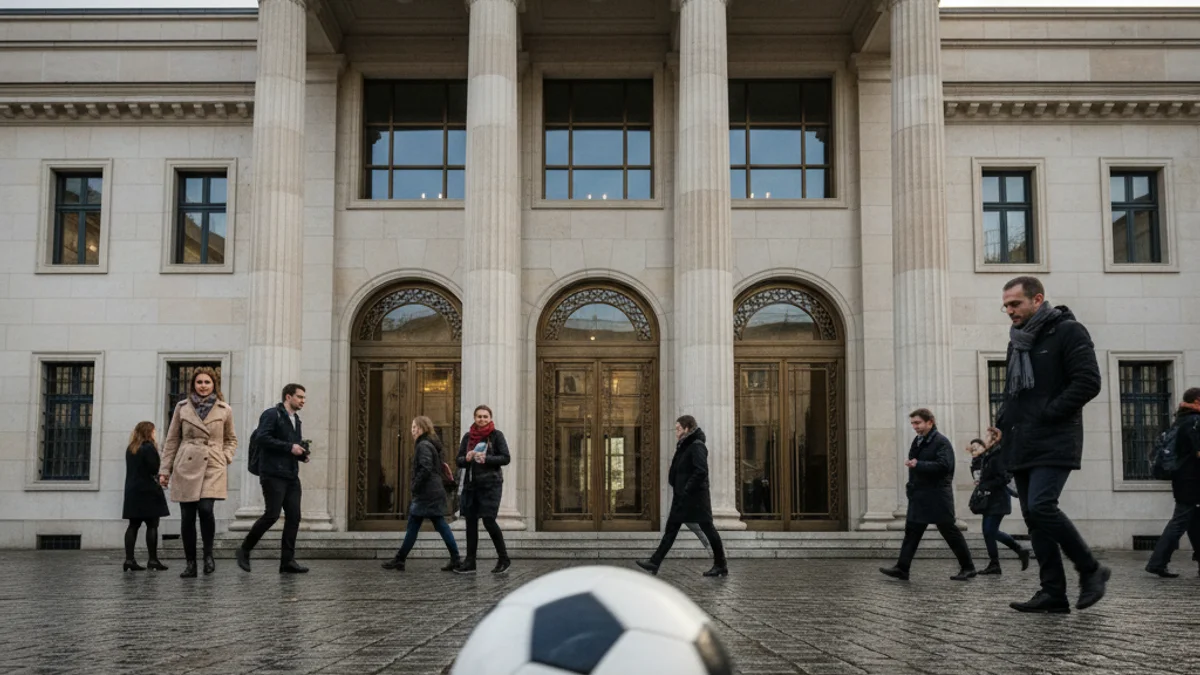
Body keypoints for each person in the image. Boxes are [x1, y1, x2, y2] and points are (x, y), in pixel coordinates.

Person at [997, 276, 1107, 613]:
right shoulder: (1018, 341)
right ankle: (1053, 593)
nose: (1009, 311)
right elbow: (1014, 393)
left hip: (1055, 437)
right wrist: (1003, 426)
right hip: (1022, 440)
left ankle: (1091, 570)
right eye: (1006, 306)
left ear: (1037, 299)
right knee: (1034, 518)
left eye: (1015, 304)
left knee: (1043, 506)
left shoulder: (1069, 331)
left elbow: (1088, 382)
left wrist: (1048, 413)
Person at [880, 409, 976, 581]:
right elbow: (915, 465)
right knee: (912, 532)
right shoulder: (918, 441)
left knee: (949, 531)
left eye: (917, 423)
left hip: (937, 496)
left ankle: (968, 567)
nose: (914, 427)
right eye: (912, 424)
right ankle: (902, 568)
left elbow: (944, 466)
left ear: (930, 422)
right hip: (920, 495)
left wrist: (918, 464)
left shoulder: (941, 442)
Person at [159, 367, 236, 579]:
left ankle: (208, 555)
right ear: (193, 384)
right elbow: (172, 439)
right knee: (187, 515)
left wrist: (225, 456)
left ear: (214, 385)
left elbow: (231, 439)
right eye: (199, 382)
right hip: (186, 464)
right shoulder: (182, 408)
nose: (203, 386)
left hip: (212, 465)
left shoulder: (224, 409)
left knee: (205, 509)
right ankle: (190, 563)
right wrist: (165, 470)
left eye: (207, 382)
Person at [637, 415, 728, 577]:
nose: (676, 431)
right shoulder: (684, 445)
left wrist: (686, 489)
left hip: (695, 498)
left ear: (687, 428)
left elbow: (701, 471)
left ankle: (721, 564)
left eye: (678, 428)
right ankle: (654, 562)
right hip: (682, 497)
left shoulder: (696, 446)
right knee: (671, 530)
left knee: (708, 529)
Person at [236, 383, 309, 574]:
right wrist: (289, 447)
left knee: (294, 517)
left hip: (291, 475)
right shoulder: (271, 414)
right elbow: (262, 438)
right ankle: (244, 549)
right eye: (300, 397)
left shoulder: (297, 420)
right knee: (272, 515)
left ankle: (287, 561)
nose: (303, 401)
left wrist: (301, 454)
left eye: (304, 397)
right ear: (288, 397)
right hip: (272, 474)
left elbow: (291, 445)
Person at [382, 416, 461, 572]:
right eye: (412, 427)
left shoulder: (423, 445)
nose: (412, 431)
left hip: (427, 493)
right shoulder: (430, 444)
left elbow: (425, 468)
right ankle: (401, 559)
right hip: (432, 492)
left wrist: (415, 486)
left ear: (422, 428)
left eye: (415, 427)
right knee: (427, 525)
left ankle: (401, 559)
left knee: (431, 525)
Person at [1145, 387, 1200, 578]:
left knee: (1193, 519)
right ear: (1197, 401)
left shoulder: (1181, 420)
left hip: (1183, 478)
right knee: (1180, 521)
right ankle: (1157, 562)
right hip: (1193, 479)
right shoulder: (1195, 421)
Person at [454, 405, 511, 574]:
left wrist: (487, 458)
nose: (482, 419)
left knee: (488, 521)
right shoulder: (467, 437)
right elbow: (458, 460)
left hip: (491, 486)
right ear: (474, 417)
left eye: (485, 416)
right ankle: (470, 561)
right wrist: (467, 457)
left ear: (490, 418)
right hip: (471, 485)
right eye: (479, 416)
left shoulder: (496, 436)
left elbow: (506, 458)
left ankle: (503, 558)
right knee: (470, 523)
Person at [970, 428, 1031, 575]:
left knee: (990, 531)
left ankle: (1020, 550)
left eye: (986, 435)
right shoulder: (988, 455)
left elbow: (1004, 477)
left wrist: (985, 485)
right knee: (987, 532)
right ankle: (994, 564)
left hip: (998, 498)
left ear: (994, 438)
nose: (983, 437)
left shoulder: (999, 455)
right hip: (989, 499)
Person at [123, 421, 170, 572]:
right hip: (148, 491)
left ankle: (129, 559)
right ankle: (153, 559)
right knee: (152, 525)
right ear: (149, 432)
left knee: (133, 525)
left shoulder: (131, 449)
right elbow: (154, 468)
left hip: (133, 491)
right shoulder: (149, 447)